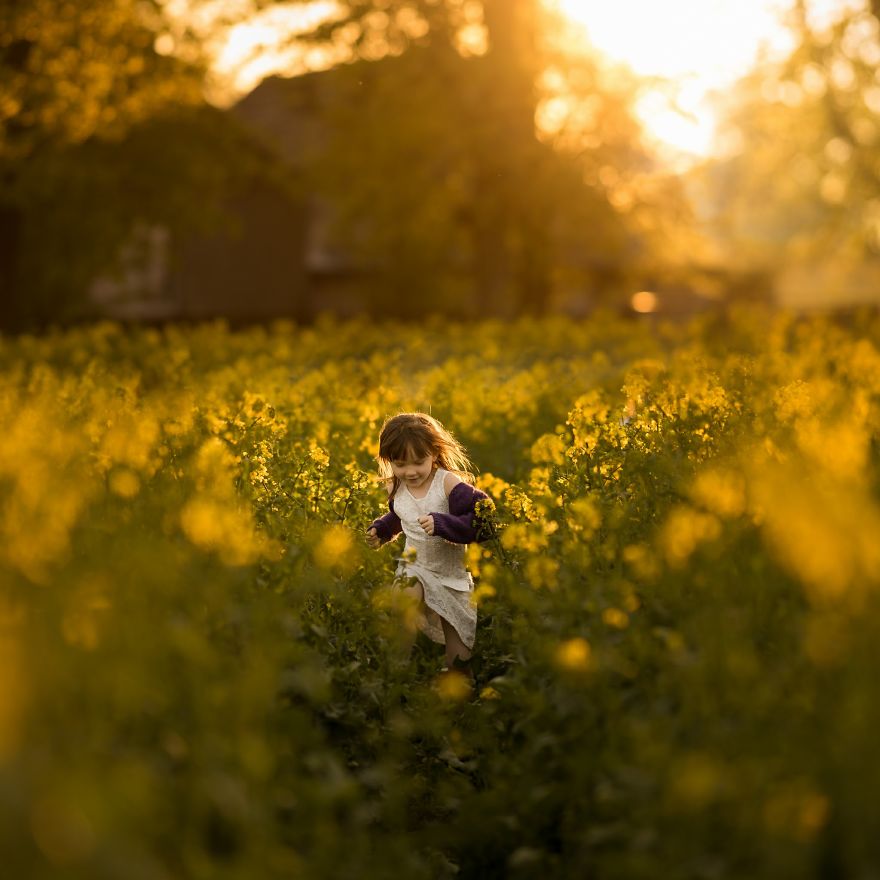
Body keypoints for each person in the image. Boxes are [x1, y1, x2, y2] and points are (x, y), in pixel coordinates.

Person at [366, 412, 490, 679]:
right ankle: (396, 672)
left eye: (418, 462)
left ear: (434, 454)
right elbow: (401, 515)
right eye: (400, 464)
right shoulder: (396, 485)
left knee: (459, 663)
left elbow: (485, 520)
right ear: (389, 461)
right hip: (416, 567)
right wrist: (382, 530)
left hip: (450, 577)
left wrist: (444, 524)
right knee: (404, 602)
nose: (410, 472)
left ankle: (457, 705)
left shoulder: (447, 484)